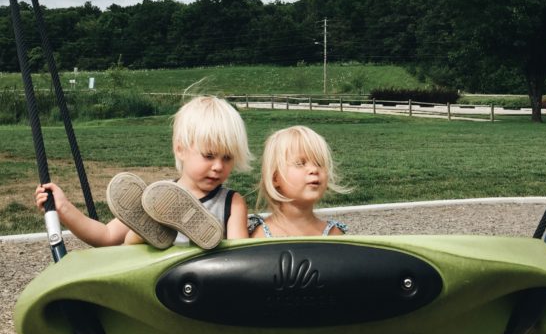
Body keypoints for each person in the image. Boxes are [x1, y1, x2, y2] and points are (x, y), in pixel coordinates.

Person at [35, 95, 252, 249]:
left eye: (227, 158)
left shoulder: (232, 203)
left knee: (214, 249)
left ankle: (163, 240)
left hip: (205, 285)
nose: (218, 166)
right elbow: (106, 236)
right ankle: (141, 236)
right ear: (180, 149)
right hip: (154, 289)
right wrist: (64, 209)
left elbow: (239, 258)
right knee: (134, 236)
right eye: (209, 155)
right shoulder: (156, 198)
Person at [249, 125, 349, 238]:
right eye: (300, 163)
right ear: (275, 178)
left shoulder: (334, 235)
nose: (314, 170)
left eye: (319, 163)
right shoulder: (260, 235)